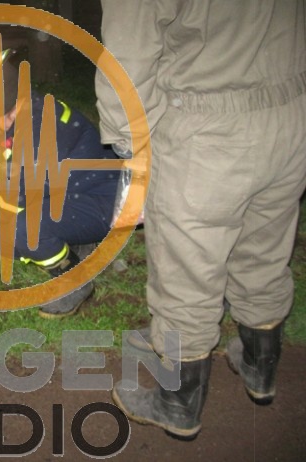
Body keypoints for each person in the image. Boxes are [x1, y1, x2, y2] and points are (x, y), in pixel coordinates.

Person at [95, 0, 306, 440]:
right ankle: (259, 368)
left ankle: (179, 404)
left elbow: (129, 49)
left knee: (186, 276)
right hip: (291, 113)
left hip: (206, 128)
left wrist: (129, 141)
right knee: (265, 251)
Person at [0, 46, 120, 318]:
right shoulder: (31, 109)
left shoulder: (31, 139)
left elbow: (9, 206)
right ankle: (79, 239)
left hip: (107, 203)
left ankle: (75, 281)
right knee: (1, 238)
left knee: (20, 232)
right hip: (80, 191)